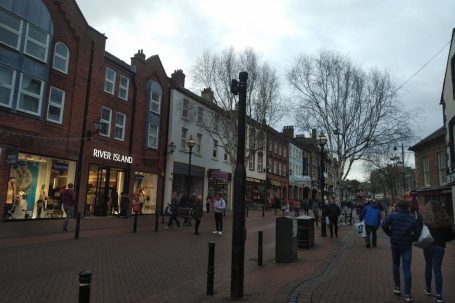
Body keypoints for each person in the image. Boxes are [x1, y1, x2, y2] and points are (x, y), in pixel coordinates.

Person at [381, 200, 420, 302]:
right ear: (407, 207)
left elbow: (384, 225)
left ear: (398, 207)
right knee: (406, 268)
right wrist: (411, 239)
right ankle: (407, 294)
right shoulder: (412, 217)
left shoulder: (393, 215)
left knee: (395, 264)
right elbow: (416, 234)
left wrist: (391, 234)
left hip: (395, 244)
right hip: (406, 245)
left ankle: (397, 287)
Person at [421, 200, 455, 303]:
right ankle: (439, 295)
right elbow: (452, 235)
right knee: (437, 270)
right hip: (439, 247)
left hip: (427, 245)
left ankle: (428, 289)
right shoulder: (444, 219)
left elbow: (418, 230)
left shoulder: (425, 218)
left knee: (428, 266)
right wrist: (443, 238)